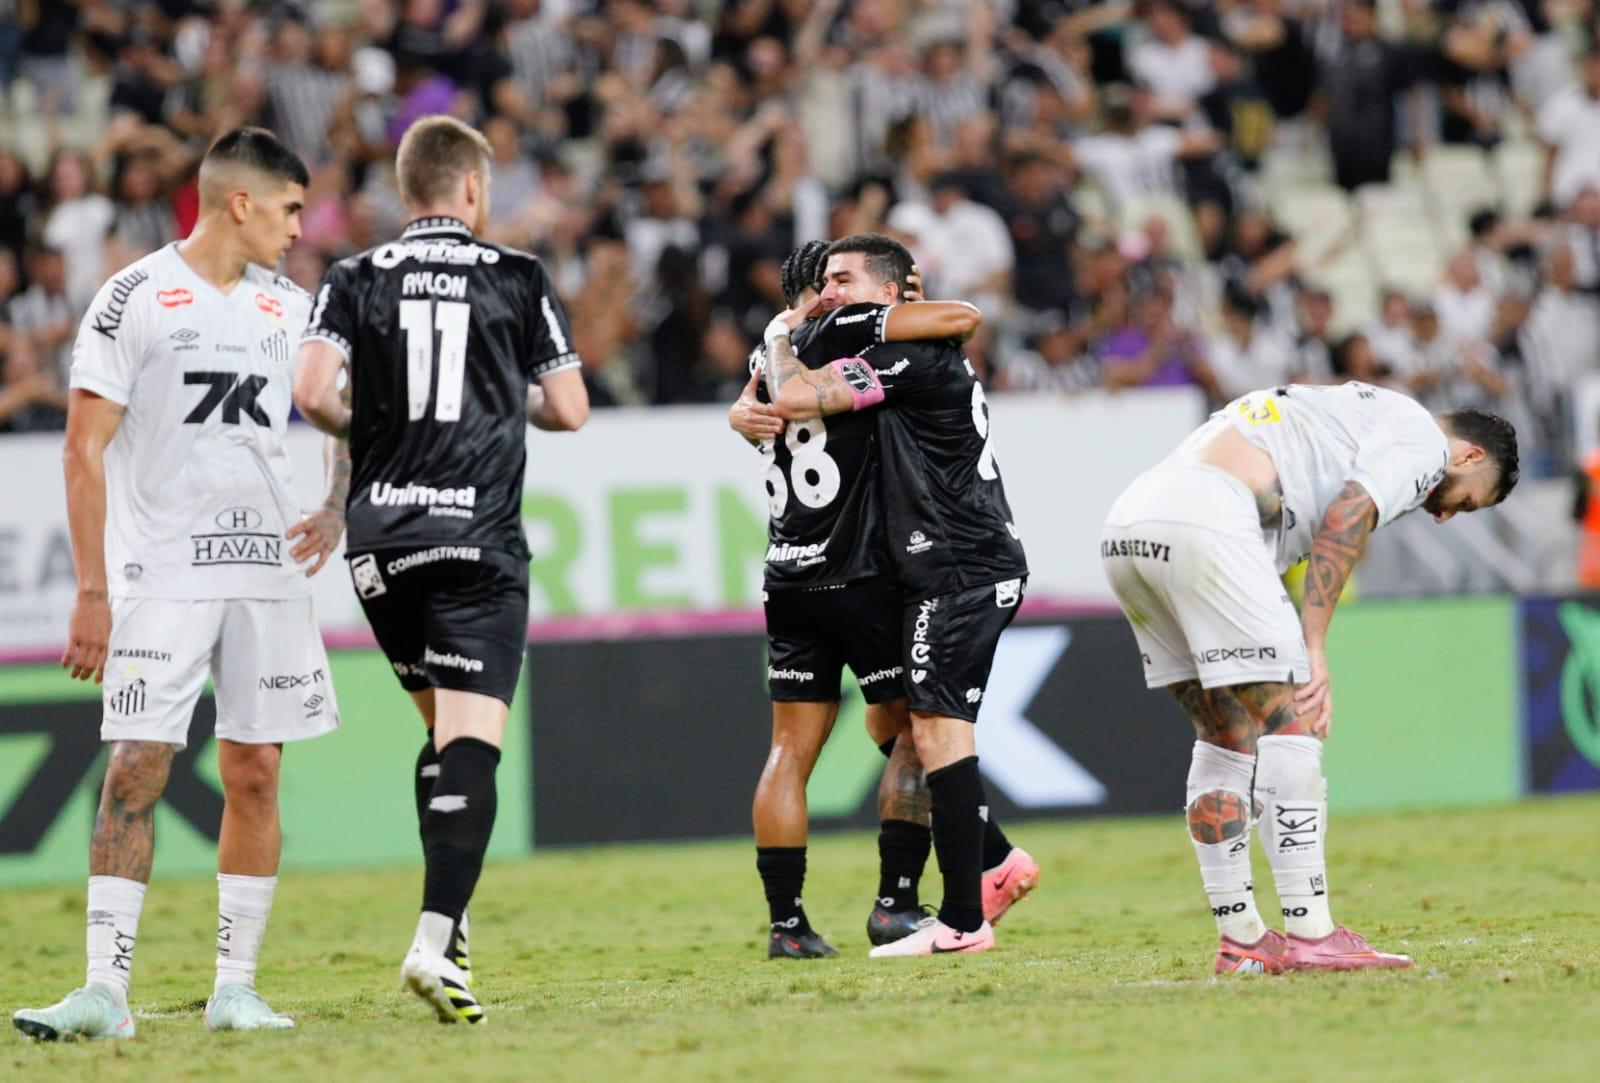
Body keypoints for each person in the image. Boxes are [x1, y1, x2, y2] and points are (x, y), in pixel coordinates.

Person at [14, 128, 345, 1041]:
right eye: (286, 209)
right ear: (239, 202)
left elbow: (344, 409)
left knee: (256, 769)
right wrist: (91, 591)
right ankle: (102, 991)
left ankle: (235, 988)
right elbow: (81, 449)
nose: (297, 227)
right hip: (162, 570)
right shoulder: (133, 299)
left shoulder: (295, 309)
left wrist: (338, 503)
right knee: (134, 766)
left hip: (269, 572)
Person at [293, 114, 588, 1024]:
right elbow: (569, 409)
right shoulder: (516, 275)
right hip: (477, 541)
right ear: (471, 189)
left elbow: (310, 393)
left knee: (439, 733)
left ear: (405, 187)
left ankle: (451, 935)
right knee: (472, 741)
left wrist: (376, 430)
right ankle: (432, 939)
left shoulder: (352, 277)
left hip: (381, 545)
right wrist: (503, 401)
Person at [1099, 383, 1518, 974]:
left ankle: (1241, 936)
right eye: (1467, 501)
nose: (1446, 513)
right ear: (1469, 456)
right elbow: (1349, 513)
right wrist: (1313, 643)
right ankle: (1311, 931)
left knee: (1224, 735)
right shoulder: (1422, 439)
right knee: (1289, 718)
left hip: (1131, 523)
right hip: (1206, 515)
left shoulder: (1344, 417)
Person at [730, 241, 1037, 957]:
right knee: (909, 727)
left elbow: (766, 403)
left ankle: (788, 923)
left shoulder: (772, 357)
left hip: (790, 567)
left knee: (814, 743)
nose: (835, 294)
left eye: (847, 281)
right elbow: (957, 320)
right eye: (829, 281)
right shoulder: (851, 339)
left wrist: (754, 385)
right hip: (866, 569)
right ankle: (903, 901)